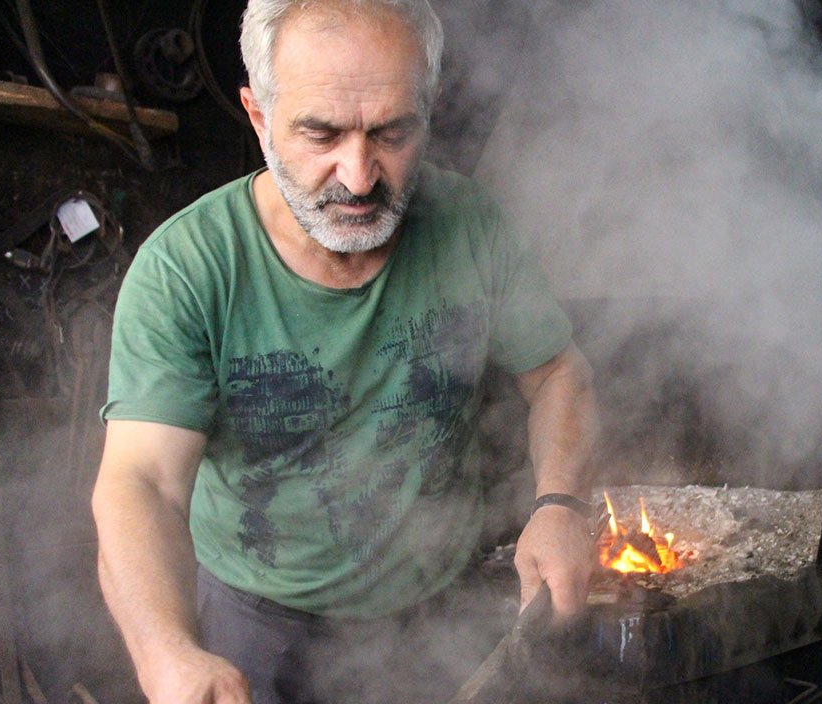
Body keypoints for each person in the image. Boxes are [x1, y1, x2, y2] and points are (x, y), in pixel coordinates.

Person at [89, 1, 600, 702]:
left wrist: (561, 502)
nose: (359, 177)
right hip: (256, 621)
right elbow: (140, 483)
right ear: (259, 115)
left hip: (440, 609)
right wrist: (165, 653)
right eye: (320, 134)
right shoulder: (187, 269)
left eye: (392, 133)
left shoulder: (471, 225)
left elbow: (558, 374)